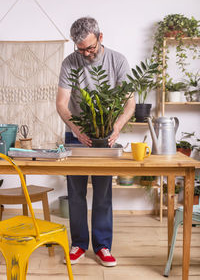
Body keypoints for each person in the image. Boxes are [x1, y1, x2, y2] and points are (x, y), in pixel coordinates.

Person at [56, 17, 135, 267]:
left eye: (90, 48)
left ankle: (103, 246)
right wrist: (77, 129)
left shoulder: (117, 61)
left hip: (104, 135)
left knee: (102, 192)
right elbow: (61, 103)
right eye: (81, 49)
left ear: (100, 38)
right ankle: (79, 244)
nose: (86, 53)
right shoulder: (70, 62)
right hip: (76, 133)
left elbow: (130, 102)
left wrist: (117, 127)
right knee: (75, 193)